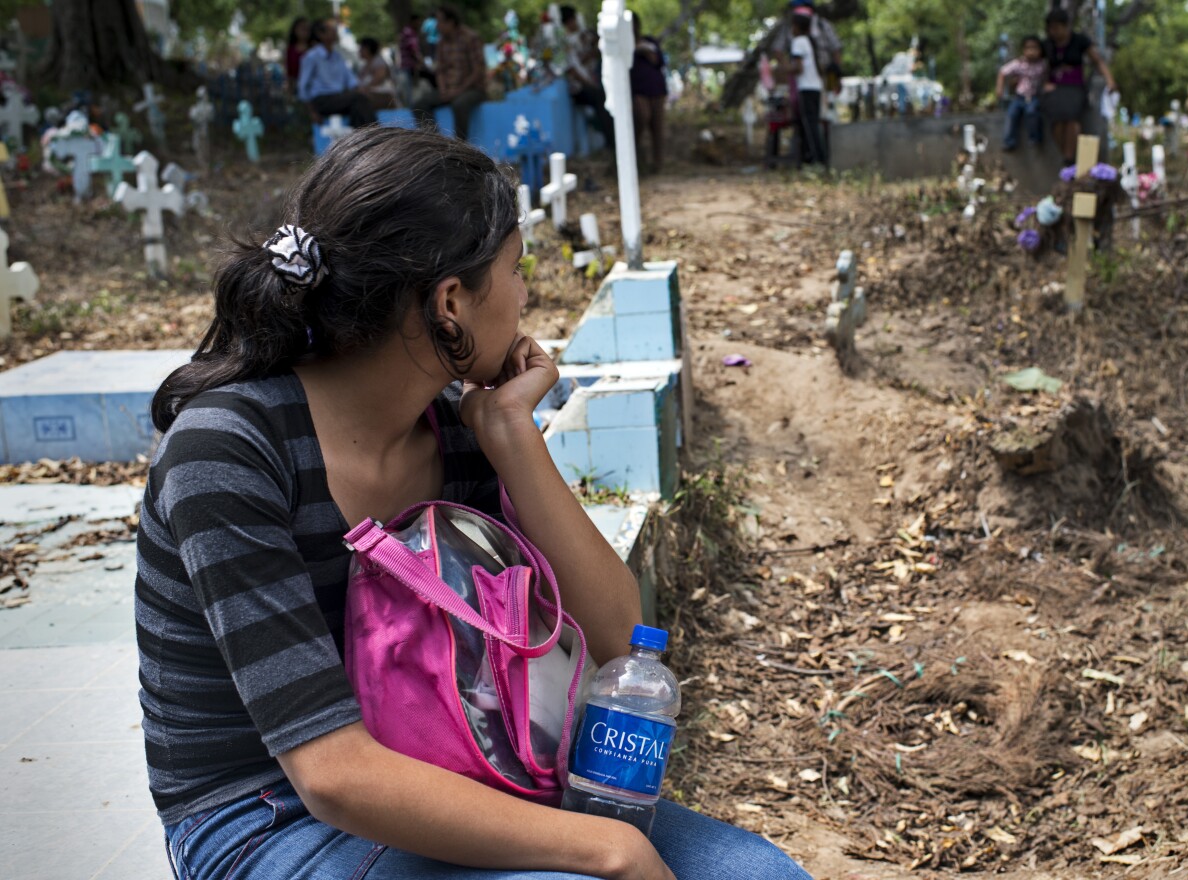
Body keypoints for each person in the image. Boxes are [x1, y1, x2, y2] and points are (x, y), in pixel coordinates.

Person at [137, 126, 813, 880]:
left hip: (469, 763)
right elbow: (331, 774)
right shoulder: (226, 453)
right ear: (451, 301)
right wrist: (610, 849)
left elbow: (626, 641)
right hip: (271, 814)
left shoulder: (457, 429)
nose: (526, 296)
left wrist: (512, 437)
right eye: (517, 270)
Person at [1040, 8, 1116, 166]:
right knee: (1057, 119)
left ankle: (1069, 158)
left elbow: (1097, 61)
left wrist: (1110, 81)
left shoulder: (1080, 40)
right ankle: (1066, 157)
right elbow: (1037, 66)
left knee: (1071, 117)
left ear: (1066, 26)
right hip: (1054, 89)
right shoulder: (1047, 45)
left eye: (1057, 27)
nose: (1054, 31)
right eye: (1051, 28)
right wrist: (1044, 83)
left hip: (1075, 88)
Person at [412, 5, 486, 141]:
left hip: (471, 89)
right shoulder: (441, 42)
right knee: (419, 104)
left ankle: (460, 147)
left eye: (440, 21)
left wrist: (458, 91)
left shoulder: (470, 38)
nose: (437, 26)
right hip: (449, 89)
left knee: (459, 104)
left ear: (450, 22)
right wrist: (443, 89)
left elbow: (478, 70)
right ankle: (434, 143)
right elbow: (440, 70)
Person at [297, 18, 376, 127]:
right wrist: (312, 111)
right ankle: (371, 135)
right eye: (331, 29)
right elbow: (303, 86)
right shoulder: (312, 57)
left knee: (359, 104)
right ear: (320, 34)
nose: (335, 31)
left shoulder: (337, 56)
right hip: (322, 100)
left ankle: (362, 138)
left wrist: (361, 89)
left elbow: (350, 79)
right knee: (358, 99)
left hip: (338, 98)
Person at [561, 4, 615, 149]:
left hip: (591, 82)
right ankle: (611, 141)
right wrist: (592, 86)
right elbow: (573, 72)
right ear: (569, 21)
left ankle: (611, 139)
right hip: (580, 89)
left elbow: (597, 47)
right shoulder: (564, 42)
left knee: (605, 97)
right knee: (601, 98)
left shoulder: (582, 36)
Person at [995, 35, 1047, 151]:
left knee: (1032, 112)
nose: (1031, 52)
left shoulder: (1042, 65)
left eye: (1035, 48)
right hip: (1019, 97)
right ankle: (1009, 142)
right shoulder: (1019, 64)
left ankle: (1035, 138)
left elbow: (1047, 79)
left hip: (1034, 96)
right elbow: (1003, 72)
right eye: (1028, 48)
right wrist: (1000, 89)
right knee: (1011, 114)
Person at [630, 13, 667, 171]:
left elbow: (658, 61)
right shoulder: (624, 46)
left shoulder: (649, 41)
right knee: (642, 117)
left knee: (657, 127)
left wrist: (645, 51)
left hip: (656, 89)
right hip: (638, 90)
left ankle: (657, 163)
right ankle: (637, 158)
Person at [789, 10, 826, 167]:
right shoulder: (810, 41)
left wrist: (783, 68)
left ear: (797, 27)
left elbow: (799, 68)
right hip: (816, 86)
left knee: (809, 125)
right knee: (812, 123)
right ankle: (813, 157)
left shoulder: (798, 42)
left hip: (806, 87)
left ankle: (817, 159)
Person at [770, 0, 841, 81]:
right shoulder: (789, 28)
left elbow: (836, 48)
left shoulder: (823, 25)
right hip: (800, 81)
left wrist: (835, 74)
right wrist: (789, 68)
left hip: (824, 75)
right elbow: (777, 49)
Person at [398, 14, 436, 106]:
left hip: (410, 67)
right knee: (411, 93)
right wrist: (425, 64)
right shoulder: (409, 33)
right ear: (413, 22)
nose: (419, 24)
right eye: (418, 22)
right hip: (409, 67)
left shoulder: (409, 32)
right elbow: (414, 51)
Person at [358, 37, 399, 110]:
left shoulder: (378, 62)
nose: (359, 51)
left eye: (361, 48)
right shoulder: (365, 65)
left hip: (383, 97)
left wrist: (364, 89)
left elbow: (379, 77)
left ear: (367, 49)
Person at [284, 17, 312, 92]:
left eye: (306, 29)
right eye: (301, 29)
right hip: (297, 85)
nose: (304, 32)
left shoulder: (314, 48)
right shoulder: (291, 50)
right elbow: (289, 71)